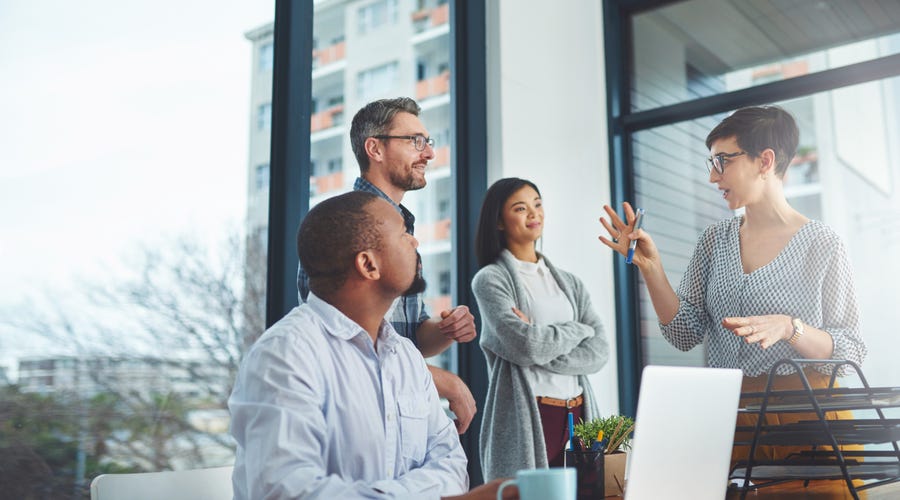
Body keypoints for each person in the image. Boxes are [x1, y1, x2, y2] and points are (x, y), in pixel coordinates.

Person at [598, 105, 867, 467]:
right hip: (731, 421)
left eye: (722, 161)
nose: (713, 176)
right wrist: (651, 268)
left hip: (810, 420)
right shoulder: (714, 241)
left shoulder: (823, 243)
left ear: (765, 161)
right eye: (711, 163)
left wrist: (791, 328)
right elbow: (683, 333)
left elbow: (852, 351)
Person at [230, 191, 514, 500]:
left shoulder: (405, 356)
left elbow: (453, 465)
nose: (415, 242)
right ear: (368, 265)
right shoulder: (284, 355)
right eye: (404, 234)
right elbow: (288, 492)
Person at [297, 97, 478, 434]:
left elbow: (411, 338)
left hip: (400, 410)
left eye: (428, 142)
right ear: (375, 149)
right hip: (358, 417)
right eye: (415, 141)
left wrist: (445, 330)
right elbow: (345, 346)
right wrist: (441, 380)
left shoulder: (404, 231)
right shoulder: (340, 226)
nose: (429, 153)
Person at [472, 177, 610, 481]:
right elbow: (526, 347)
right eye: (521, 208)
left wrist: (541, 338)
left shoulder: (570, 282)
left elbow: (599, 353)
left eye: (537, 204)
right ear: (498, 221)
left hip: (579, 412)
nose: (534, 214)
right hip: (532, 414)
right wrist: (578, 330)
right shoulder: (491, 280)